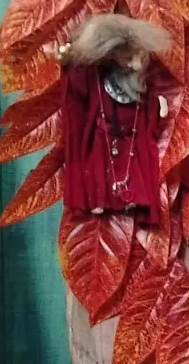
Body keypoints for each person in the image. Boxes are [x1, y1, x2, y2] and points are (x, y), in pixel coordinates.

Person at [59, 13, 169, 226]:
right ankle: (98, 200)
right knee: (99, 172)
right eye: (128, 59)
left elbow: (147, 107)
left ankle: (133, 200)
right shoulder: (94, 80)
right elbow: (77, 92)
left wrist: (157, 107)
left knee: (133, 172)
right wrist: (72, 60)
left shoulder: (138, 82)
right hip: (102, 140)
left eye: (139, 58)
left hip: (130, 139)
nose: (135, 65)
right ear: (112, 55)